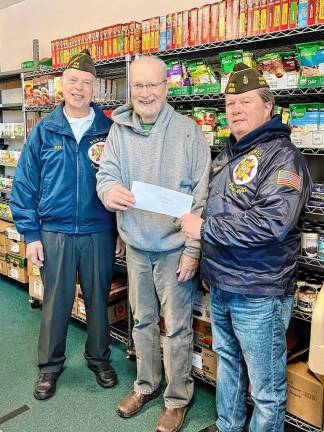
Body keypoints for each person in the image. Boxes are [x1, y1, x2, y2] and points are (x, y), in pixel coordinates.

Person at [180, 63, 312, 432]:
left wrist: (205, 227)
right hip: (222, 284)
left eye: (245, 101)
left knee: (266, 385)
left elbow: (272, 223)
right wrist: (209, 268)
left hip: (259, 291)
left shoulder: (284, 158)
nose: (235, 109)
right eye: (230, 103)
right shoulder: (228, 155)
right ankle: (228, 425)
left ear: (268, 106)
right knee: (229, 364)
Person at [96, 55, 211, 432]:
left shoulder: (188, 132)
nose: (146, 93)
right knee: (143, 322)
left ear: (166, 87)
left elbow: (201, 195)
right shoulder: (119, 130)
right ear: (133, 89)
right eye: (139, 86)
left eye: (153, 85)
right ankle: (145, 384)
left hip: (175, 249)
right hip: (136, 246)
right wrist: (109, 191)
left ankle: (177, 399)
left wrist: (193, 251)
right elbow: (107, 174)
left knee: (177, 328)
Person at [10, 49, 122, 401]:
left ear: (95, 88)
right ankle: (50, 366)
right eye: (73, 81)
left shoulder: (109, 130)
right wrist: (30, 234)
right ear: (62, 85)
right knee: (55, 303)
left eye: (86, 82)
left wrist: (119, 230)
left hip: (98, 231)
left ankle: (99, 358)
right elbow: (24, 185)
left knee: (97, 300)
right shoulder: (45, 131)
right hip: (54, 232)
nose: (79, 88)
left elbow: (123, 184)